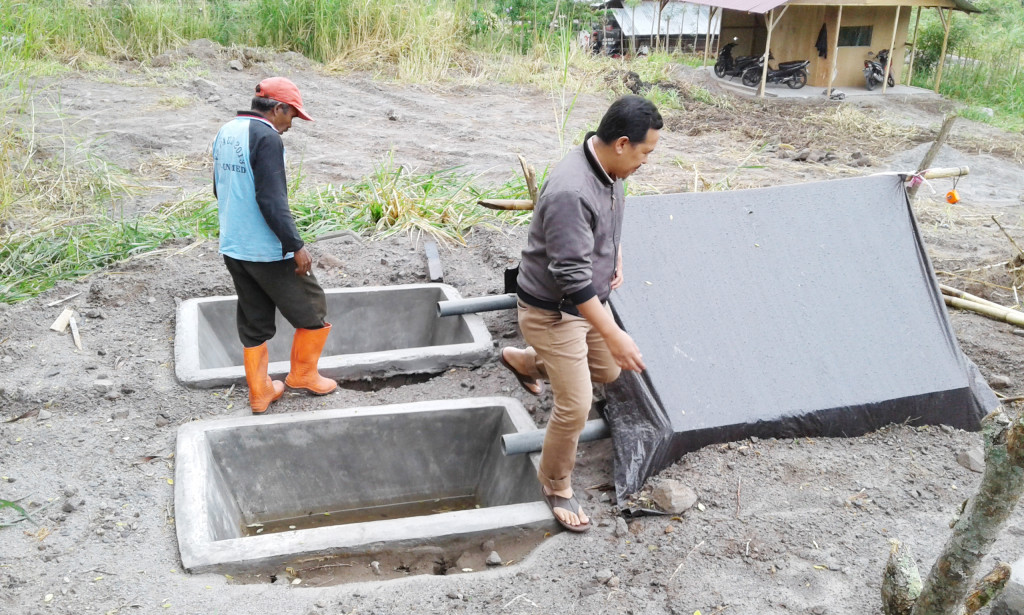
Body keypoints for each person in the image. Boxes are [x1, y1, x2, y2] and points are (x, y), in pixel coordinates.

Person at [499, 95, 662, 532]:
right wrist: (614, 333)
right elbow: (570, 277)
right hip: (552, 311)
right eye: (646, 152)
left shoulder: (610, 168)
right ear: (623, 143)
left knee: (607, 372)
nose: (646, 161)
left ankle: (526, 360)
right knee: (575, 404)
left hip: (582, 301)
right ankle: (554, 483)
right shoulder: (571, 189)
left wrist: (616, 254)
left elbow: (607, 225)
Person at [211, 77, 337, 414]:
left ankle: (260, 393)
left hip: (233, 245)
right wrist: (295, 245)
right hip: (265, 249)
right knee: (313, 308)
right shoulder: (267, 138)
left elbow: (218, 188)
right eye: (291, 116)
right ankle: (303, 375)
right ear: (277, 108)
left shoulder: (226, 131)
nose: (290, 126)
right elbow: (271, 199)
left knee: (254, 319)